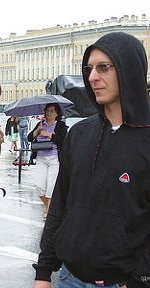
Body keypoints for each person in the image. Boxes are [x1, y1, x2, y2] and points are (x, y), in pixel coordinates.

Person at [32, 32, 150, 288]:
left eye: (104, 67)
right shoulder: (79, 134)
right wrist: (43, 272)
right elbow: (60, 206)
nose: (92, 77)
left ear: (129, 70)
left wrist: (140, 280)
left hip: (121, 282)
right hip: (69, 278)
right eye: (89, 68)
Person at [28, 103, 67, 220]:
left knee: (51, 186)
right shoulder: (40, 124)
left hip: (54, 158)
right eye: (47, 111)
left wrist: (49, 135)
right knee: (39, 186)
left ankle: (49, 212)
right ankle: (49, 207)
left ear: (57, 113)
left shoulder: (60, 125)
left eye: (51, 111)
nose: (48, 113)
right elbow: (30, 138)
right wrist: (37, 131)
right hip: (41, 158)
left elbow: (63, 141)